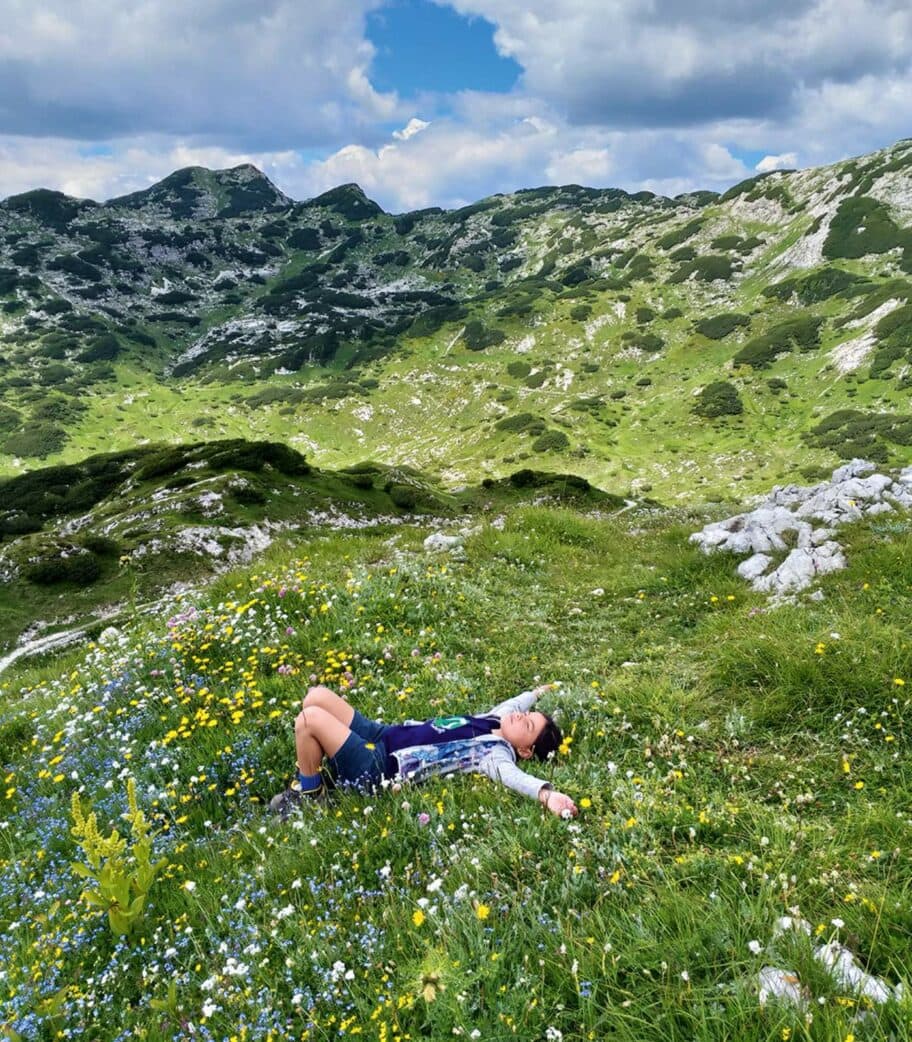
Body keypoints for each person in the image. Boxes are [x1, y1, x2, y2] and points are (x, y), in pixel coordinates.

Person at [269, 682, 579, 819]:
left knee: (309, 720)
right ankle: (316, 766)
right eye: (526, 715)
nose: (520, 717)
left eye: (527, 726)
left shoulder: (494, 754)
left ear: (524, 751)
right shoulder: (495, 719)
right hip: (384, 734)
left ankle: (310, 797)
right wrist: (537, 694)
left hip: (380, 766)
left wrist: (546, 794)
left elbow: (514, 779)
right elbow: (515, 704)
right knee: (316, 697)